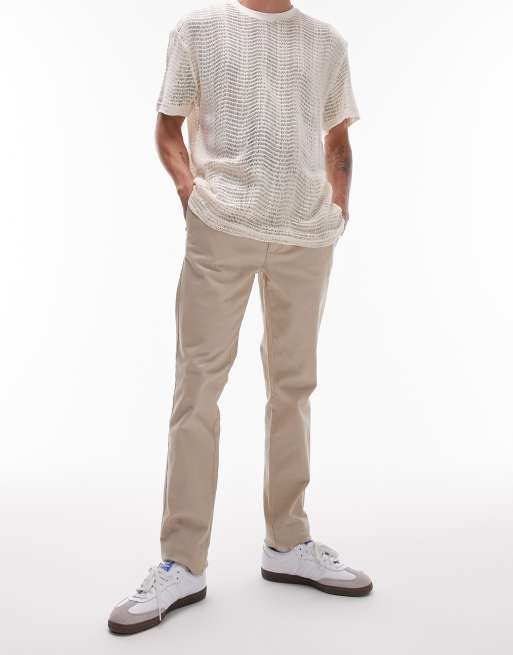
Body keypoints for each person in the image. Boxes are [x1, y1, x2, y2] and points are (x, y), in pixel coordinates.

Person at [108, 0, 372, 635]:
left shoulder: (327, 42)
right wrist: (189, 193)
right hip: (220, 225)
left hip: (306, 235)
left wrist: (339, 206)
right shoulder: (198, 31)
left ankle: (288, 541)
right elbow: (167, 127)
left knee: (294, 386)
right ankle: (181, 562)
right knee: (197, 388)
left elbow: (338, 139)